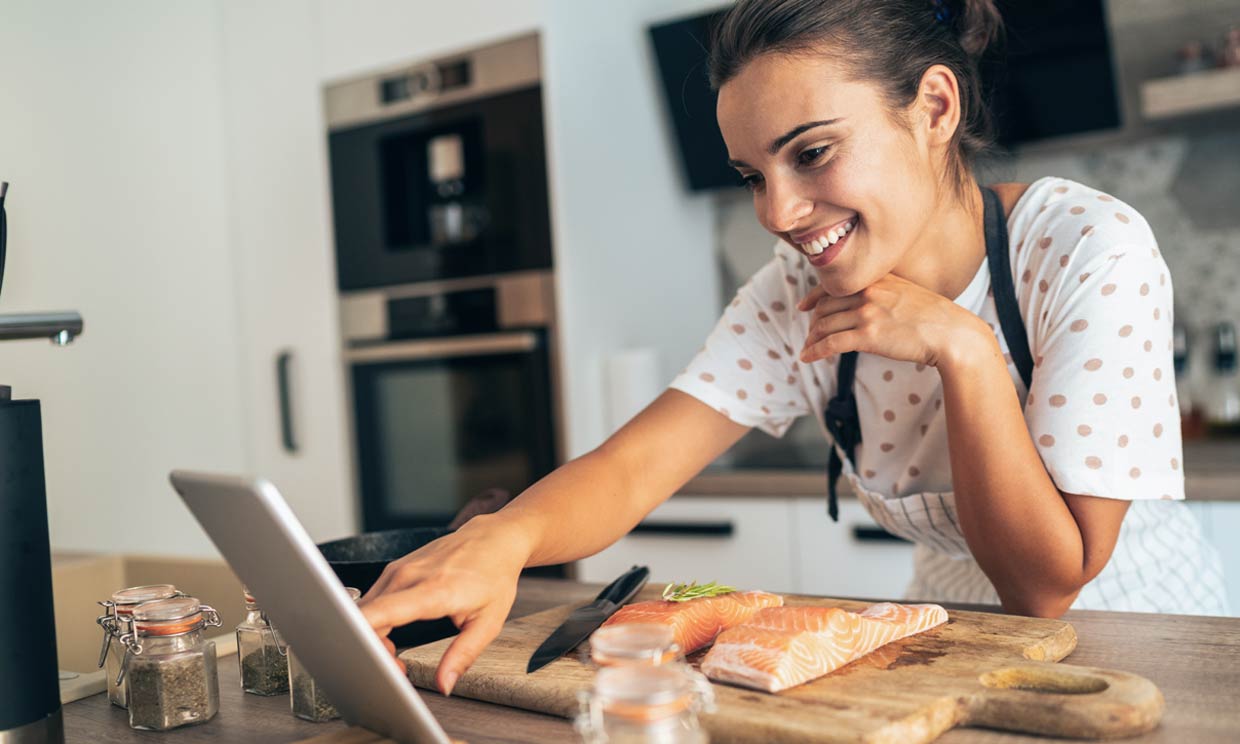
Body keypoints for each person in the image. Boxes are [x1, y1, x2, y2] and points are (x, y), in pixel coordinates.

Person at [359, 0, 1229, 696]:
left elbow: (1047, 586)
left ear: (934, 107)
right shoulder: (793, 291)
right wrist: (505, 539)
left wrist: (962, 351)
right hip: (942, 646)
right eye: (752, 177)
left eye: (811, 153)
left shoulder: (1085, 247)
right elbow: (633, 469)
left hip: (1139, 650)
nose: (776, 213)